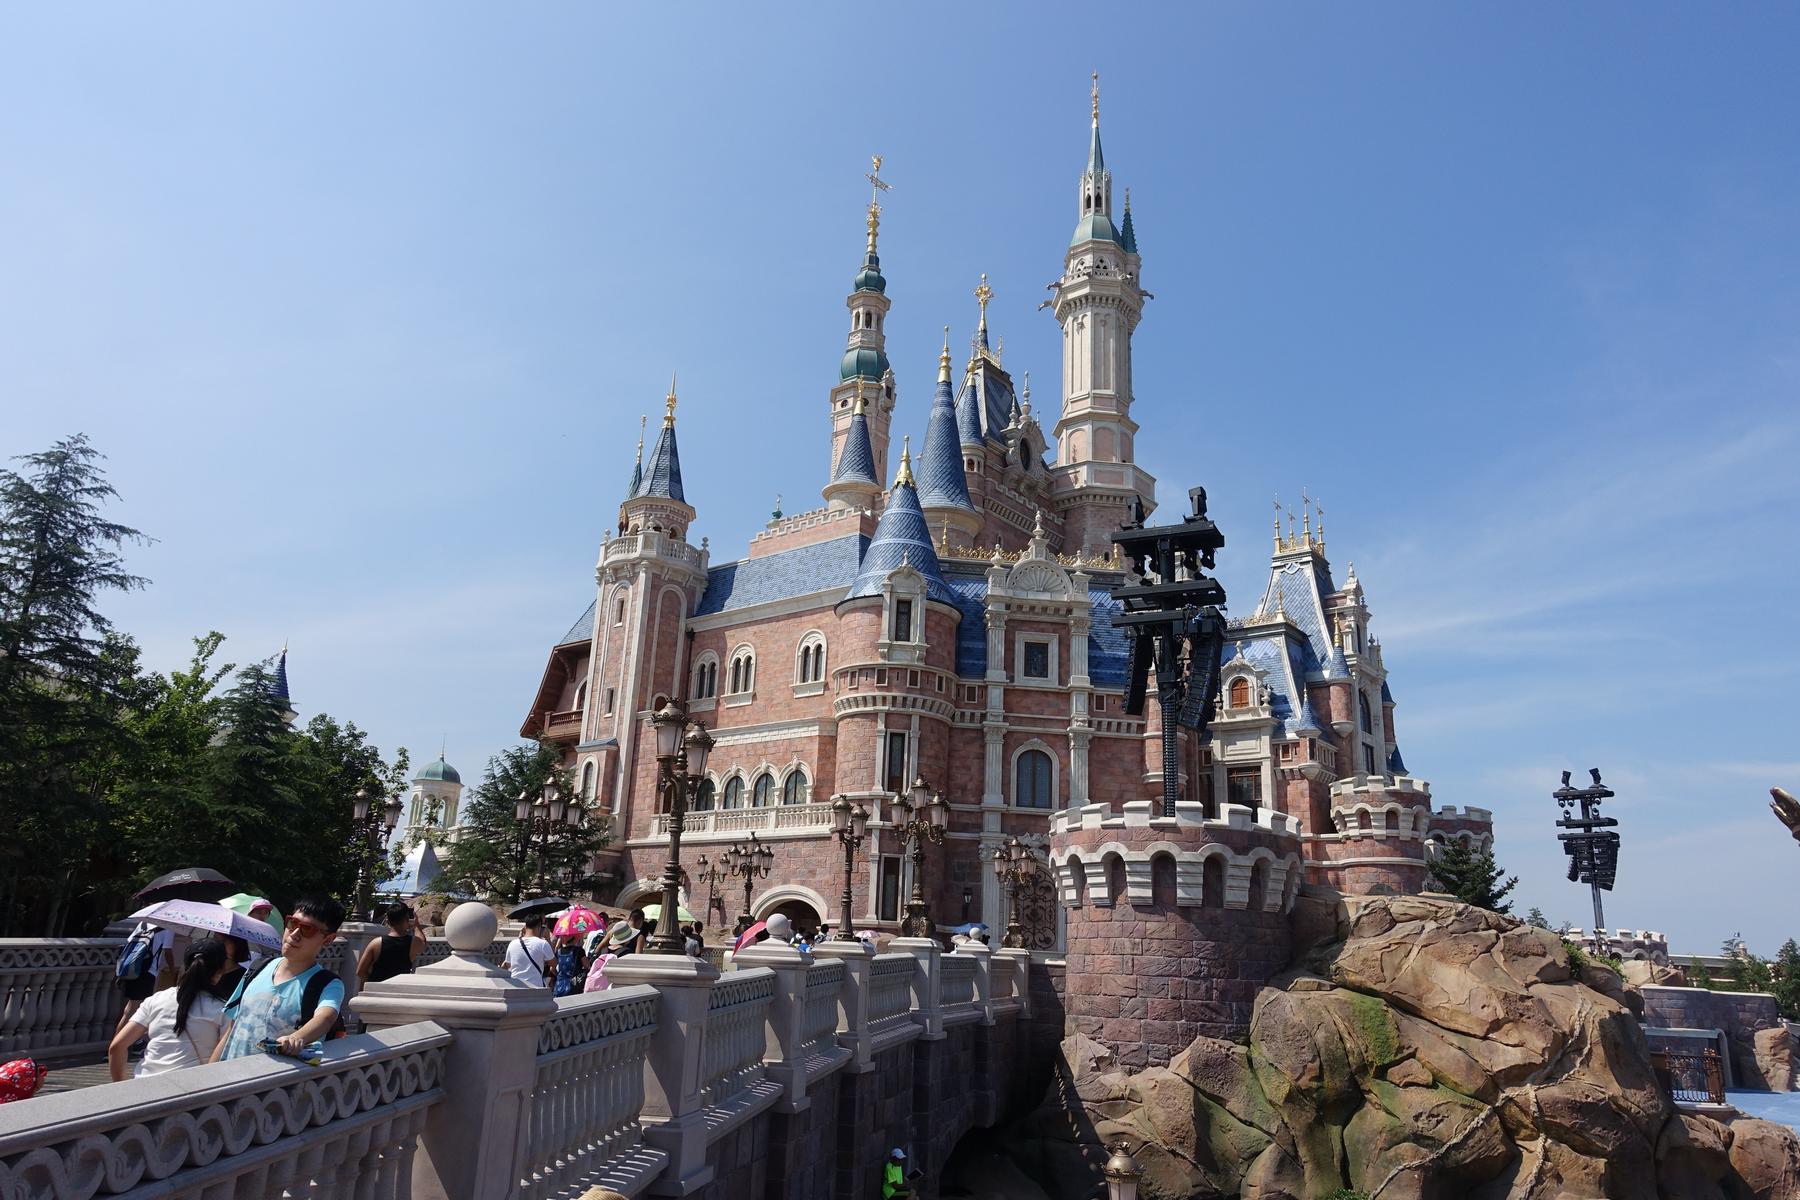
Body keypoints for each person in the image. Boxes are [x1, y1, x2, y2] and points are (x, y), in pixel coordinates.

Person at [212, 895, 346, 1061]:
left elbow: (325, 1018)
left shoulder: (328, 984)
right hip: (230, 1073)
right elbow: (232, 1028)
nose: (294, 934)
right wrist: (210, 1069)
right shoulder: (258, 967)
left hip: (275, 1077)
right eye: (292, 923)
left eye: (307, 929)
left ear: (328, 939)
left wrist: (297, 1038)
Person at [108, 937, 231, 1080]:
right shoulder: (223, 1009)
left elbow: (117, 1047)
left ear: (186, 966)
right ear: (220, 971)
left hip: (144, 1085)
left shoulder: (155, 1000)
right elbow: (221, 1058)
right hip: (190, 1087)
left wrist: (122, 1086)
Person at [357, 902, 425, 985]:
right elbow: (423, 942)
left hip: (376, 989)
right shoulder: (413, 942)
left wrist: (372, 984)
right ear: (407, 919)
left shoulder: (376, 943)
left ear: (388, 921)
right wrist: (416, 925)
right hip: (398, 988)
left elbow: (360, 972)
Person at [505, 914, 555, 987]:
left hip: (516, 986)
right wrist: (548, 939)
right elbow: (553, 963)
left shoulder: (512, 943)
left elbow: (508, 964)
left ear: (525, 926)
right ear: (539, 926)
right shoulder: (543, 944)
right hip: (535, 986)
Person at [209, 936, 251, 1002]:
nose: (217, 944)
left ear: (237, 945)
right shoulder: (205, 968)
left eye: (224, 941)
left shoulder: (244, 977)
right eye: (214, 940)